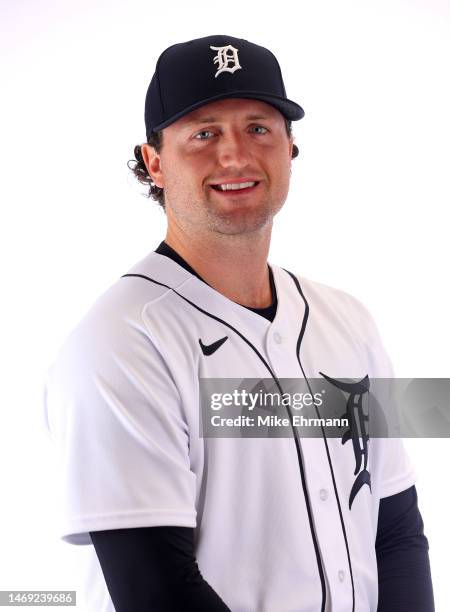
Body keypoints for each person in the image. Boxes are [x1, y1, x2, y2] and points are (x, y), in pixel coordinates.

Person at [42, 34, 434, 611]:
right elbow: (156, 592)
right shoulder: (121, 342)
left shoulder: (348, 320)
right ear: (154, 163)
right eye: (204, 133)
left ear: (290, 148)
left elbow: (396, 532)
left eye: (258, 128)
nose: (234, 156)